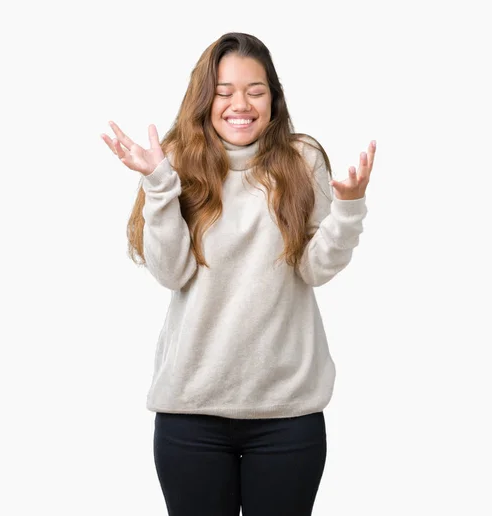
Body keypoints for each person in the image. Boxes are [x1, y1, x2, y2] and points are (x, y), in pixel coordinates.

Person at [101, 32, 375, 516]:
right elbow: (171, 272)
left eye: (255, 90)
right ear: (206, 99)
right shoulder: (176, 162)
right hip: (191, 413)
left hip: (287, 414)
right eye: (224, 92)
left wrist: (348, 210)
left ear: (273, 97)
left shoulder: (301, 159)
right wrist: (159, 185)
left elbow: (315, 268)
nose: (240, 104)